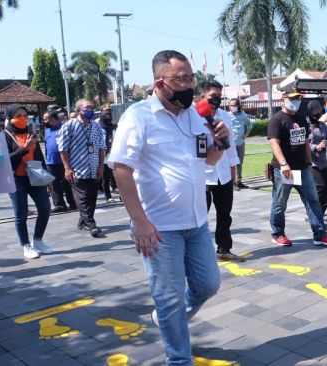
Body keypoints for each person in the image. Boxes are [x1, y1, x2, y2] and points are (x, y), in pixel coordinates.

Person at [108, 50, 227, 365]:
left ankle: (167, 316)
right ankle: (179, 358)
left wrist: (220, 143)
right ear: (160, 81)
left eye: (191, 78)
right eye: (182, 79)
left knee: (208, 285)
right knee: (169, 297)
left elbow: (209, 160)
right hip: (158, 227)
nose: (189, 85)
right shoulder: (138, 116)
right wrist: (139, 221)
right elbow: (121, 169)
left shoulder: (193, 116)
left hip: (197, 221)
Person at [267, 86, 327, 247]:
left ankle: (320, 233)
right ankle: (278, 233)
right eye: (291, 99)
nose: (295, 102)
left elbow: (305, 141)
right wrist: (284, 164)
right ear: (282, 100)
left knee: (312, 199)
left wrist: (308, 160)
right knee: (280, 202)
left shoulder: (300, 119)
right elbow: (274, 143)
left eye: (297, 99)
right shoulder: (277, 120)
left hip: (303, 168)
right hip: (284, 170)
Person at [3, 104, 54, 259]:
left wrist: (47, 178)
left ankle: (38, 240)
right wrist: (24, 148)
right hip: (16, 179)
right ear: (10, 118)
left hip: (35, 176)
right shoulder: (4, 136)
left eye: (25, 115)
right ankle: (25, 245)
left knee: (45, 207)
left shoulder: (30, 133)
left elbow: (39, 157)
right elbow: (6, 161)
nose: (22, 119)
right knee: (21, 214)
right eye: (18, 116)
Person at [203, 82, 246, 262]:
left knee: (224, 215)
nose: (216, 100)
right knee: (199, 216)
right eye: (213, 96)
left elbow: (231, 148)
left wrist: (233, 174)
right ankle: (199, 252)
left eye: (219, 96)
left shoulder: (224, 116)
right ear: (203, 96)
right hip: (203, 176)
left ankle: (224, 248)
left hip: (223, 176)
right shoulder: (193, 117)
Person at [57, 99, 107, 238]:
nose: (90, 110)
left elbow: (102, 148)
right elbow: (63, 149)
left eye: (92, 107)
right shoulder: (69, 126)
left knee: (92, 198)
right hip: (77, 169)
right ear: (79, 110)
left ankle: (82, 222)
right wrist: (67, 168)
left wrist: (101, 166)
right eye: (87, 108)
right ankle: (91, 225)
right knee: (83, 198)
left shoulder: (96, 127)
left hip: (94, 168)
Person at [307, 100, 327, 213]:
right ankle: (314, 212)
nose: (317, 116)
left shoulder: (323, 125)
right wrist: (316, 146)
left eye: (319, 114)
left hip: (323, 162)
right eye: (315, 114)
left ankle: (321, 213)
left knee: (325, 190)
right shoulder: (305, 125)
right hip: (312, 163)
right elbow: (303, 144)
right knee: (320, 187)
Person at [44, 111, 76, 212]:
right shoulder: (47, 130)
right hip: (50, 161)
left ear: (53, 119)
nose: (44, 121)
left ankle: (73, 203)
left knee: (67, 182)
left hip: (63, 161)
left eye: (46, 119)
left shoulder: (63, 128)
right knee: (54, 184)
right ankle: (60, 204)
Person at [227, 98, 253, 190]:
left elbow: (250, 125)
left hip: (241, 143)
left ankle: (239, 181)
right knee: (231, 163)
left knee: (239, 163)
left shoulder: (243, 115)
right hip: (230, 144)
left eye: (234, 105)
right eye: (230, 105)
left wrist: (246, 134)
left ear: (238, 106)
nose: (232, 107)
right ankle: (232, 182)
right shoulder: (227, 115)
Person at [98, 105, 119, 203]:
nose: (108, 117)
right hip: (103, 154)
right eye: (106, 114)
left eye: (109, 114)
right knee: (105, 177)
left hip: (114, 153)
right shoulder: (98, 127)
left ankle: (121, 194)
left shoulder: (114, 127)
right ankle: (108, 196)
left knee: (118, 175)